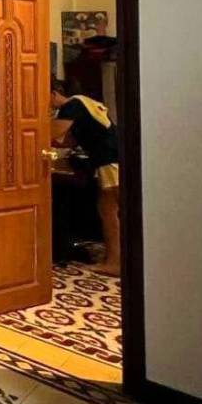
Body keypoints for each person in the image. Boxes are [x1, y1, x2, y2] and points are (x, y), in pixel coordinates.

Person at [50, 78, 120, 276]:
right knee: (110, 210)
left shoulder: (71, 106)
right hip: (113, 158)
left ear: (53, 94)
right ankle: (116, 258)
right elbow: (68, 141)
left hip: (109, 159)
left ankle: (115, 262)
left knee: (109, 211)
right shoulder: (83, 103)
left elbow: (52, 133)